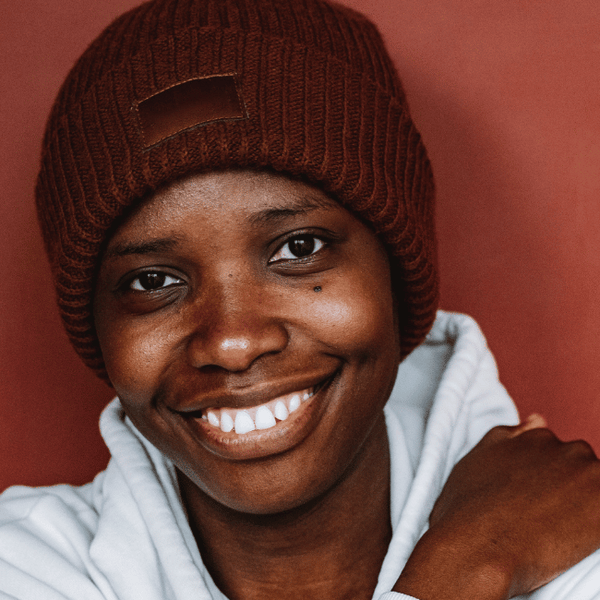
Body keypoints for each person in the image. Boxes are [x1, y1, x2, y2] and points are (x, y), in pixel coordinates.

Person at [1, 0, 600, 599]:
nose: (233, 342)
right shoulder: (21, 567)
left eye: (299, 247)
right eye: (154, 282)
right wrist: (468, 571)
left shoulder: (582, 562)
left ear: (396, 270)